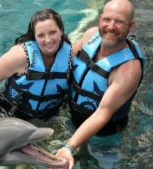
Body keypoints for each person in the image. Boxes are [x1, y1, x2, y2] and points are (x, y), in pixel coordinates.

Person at [55, 0, 143, 168]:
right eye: (107, 19)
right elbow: (64, 60)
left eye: (119, 21)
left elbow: (103, 113)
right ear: (100, 19)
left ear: (130, 26)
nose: (111, 26)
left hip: (104, 136)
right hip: (73, 117)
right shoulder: (90, 35)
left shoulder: (128, 69)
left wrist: (68, 147)